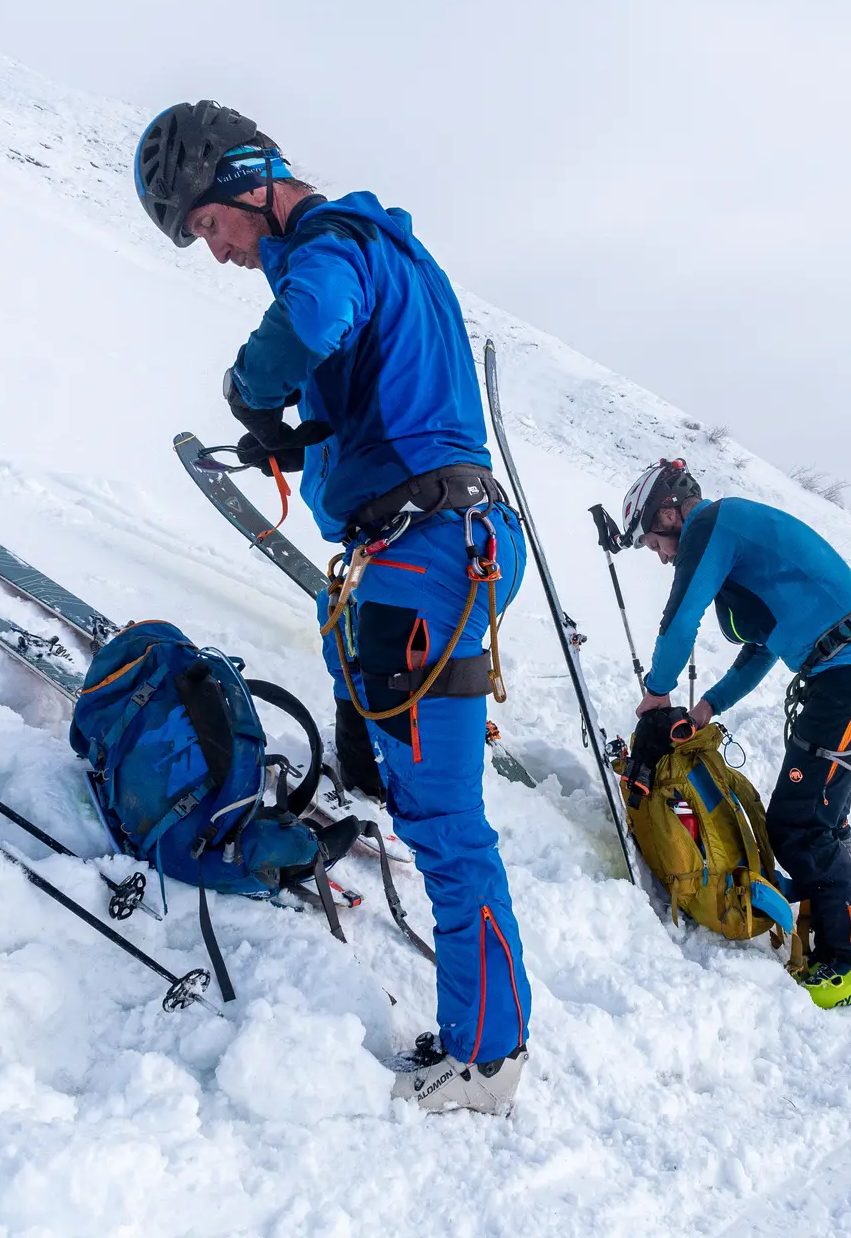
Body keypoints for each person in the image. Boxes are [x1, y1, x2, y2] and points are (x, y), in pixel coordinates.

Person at [134, 101, 531, 1114]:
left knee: (447, 818)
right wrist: (300, 436)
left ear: (249, 180)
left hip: (426, 557)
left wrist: (250, 387)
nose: (217, 251)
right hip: (437, 545)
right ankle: (485, 1023)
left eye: (212, 225)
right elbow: (391, 407)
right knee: (412, 783)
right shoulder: (387, 252)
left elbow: (308, 321)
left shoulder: (331, 244)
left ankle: (487, 1059)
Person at [616, 458, 851, 1009]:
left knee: (800, 824)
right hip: (849, 675)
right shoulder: (735, 548)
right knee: (815, 816)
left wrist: (656, 694)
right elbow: (762, 649)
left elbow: (680, 619)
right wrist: (705, 708)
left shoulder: (711, 526)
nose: (659, 554)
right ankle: (835, 941)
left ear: (671, 513)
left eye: (654, 539)